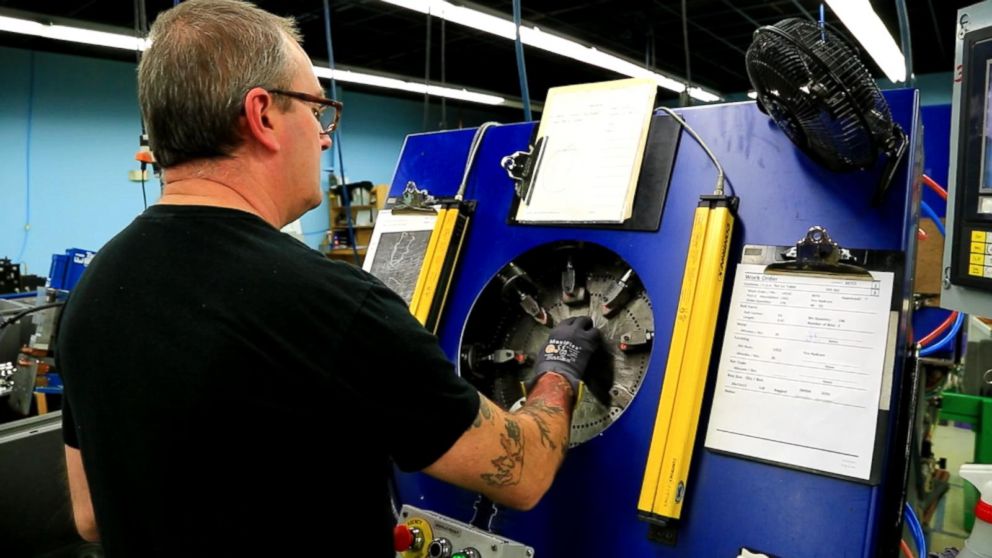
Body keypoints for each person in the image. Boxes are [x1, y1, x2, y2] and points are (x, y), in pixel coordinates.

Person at [57, 1, 603, 555]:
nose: (323, 137)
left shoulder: (94, 291)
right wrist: (556, 372)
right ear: (263, 114)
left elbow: (91, 517)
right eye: (317, 110)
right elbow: (524, 473)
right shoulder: (329, 305)